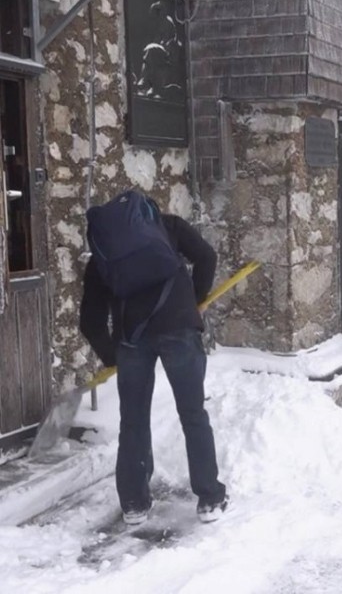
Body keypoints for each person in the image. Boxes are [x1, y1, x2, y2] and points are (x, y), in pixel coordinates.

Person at [79, 194, 228, 525]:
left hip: (132, 340)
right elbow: (206, 257)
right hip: (179, 329)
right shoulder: (169, 226)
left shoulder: (104, 256)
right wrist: (194, 301)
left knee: (133, 420)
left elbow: (89, 321)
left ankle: (134, 503)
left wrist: (111, 355)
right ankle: (208, 498)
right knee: (193, 413)